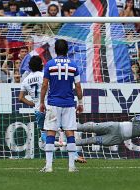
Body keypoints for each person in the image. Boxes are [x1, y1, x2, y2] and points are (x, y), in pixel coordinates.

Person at [40, 39, 84, 173]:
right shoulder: (73, 65)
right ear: (67, 50)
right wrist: (80, 103)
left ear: (56, 50)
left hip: (53, 103)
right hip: (69, 103)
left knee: (50, 133)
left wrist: (41, 102)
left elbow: (44, 85)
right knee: (70, 133)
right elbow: (77, 86)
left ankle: (48, 166)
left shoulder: (49, 64)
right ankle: (71, 166)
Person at [19, 56, 47, 148]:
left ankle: (49, 157)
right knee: (57, 130)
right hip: (49, 106)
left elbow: (20, 98)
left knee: (43, 132)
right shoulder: (44, 76)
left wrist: (33, 103)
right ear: (41, 65)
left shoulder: (25, 80)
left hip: (38, 109)